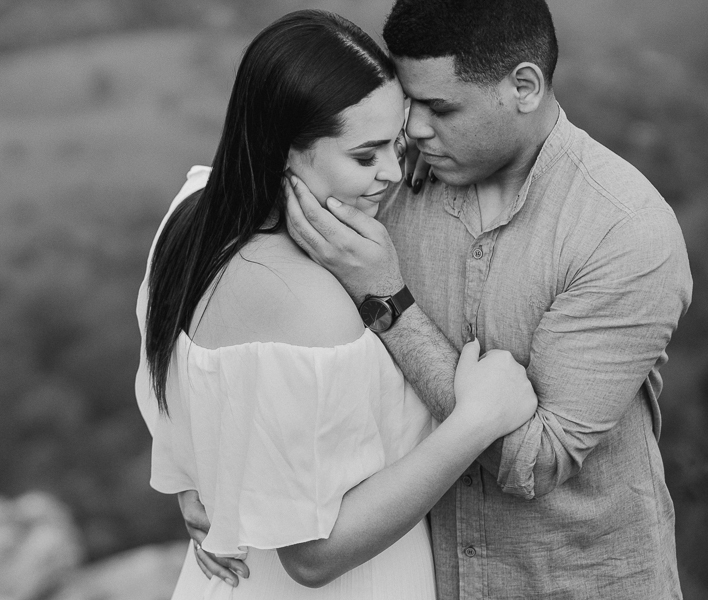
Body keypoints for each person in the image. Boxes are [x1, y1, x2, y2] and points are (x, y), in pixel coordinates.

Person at [275, 0, 692, 598]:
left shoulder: (622, 230)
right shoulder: (387, 179)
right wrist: (202, 461)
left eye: (440, 108)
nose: (414, 128)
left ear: (523, 86)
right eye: (409, 103)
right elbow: (232, 233)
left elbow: (535, 460)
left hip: (579, 584)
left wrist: (387, 299)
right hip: (425, 579)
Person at [134, 9, 537, 599]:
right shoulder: (310, 303)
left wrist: (193, 481)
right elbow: (314, 555)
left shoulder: (192, 211)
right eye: (364, 155)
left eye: (396, 145)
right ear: (281, 151)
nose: (394, 173)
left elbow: (175, 383)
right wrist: (474, 422)